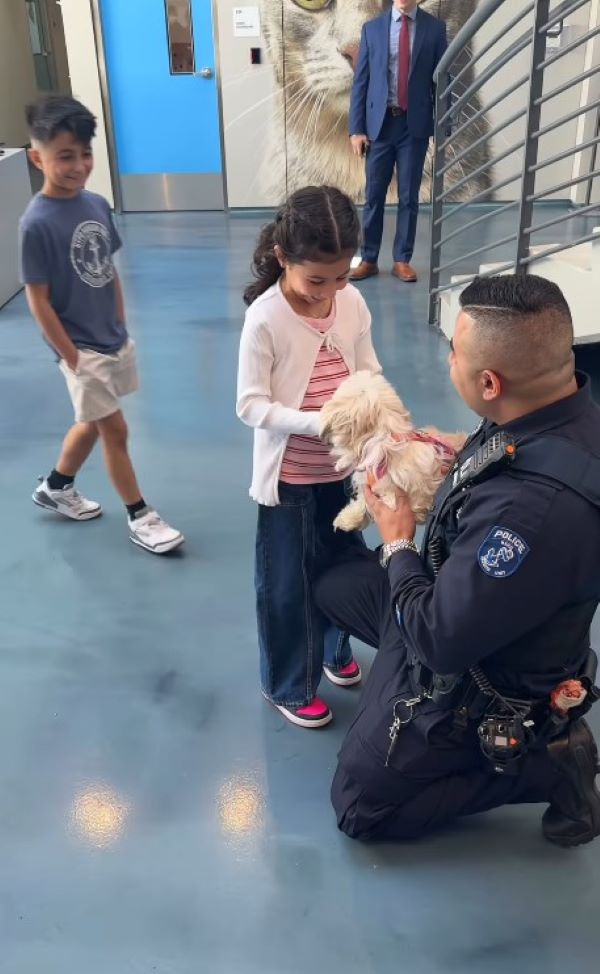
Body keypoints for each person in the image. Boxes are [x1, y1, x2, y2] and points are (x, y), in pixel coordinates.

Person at [314, 273, 600, 846]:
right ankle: (389, 693)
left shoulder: (530, 510)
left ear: (490, 381)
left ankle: (547, 764)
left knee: (358, 808)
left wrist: (397, 540)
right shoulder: (545, 413)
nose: (448, 362)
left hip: (478, 672)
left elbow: (442, 640)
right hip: (459, 602)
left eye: (454, 354)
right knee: (334, 585)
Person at [236, 186, 381, 729]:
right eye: (316, 279)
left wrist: (379, 417)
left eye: (341, 276)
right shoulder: (266, 319)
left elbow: (367, 368)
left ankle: (334, 648)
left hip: (342, 471)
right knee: (287, 584)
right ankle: (288, 684)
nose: (330, 291)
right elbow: (250, 406)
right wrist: (319, 423)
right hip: (291, 478)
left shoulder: (352, 301)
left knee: (343, 566)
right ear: (282, 257)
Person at [20, 96, 183, 555]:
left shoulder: (95, 204)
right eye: (64, 156)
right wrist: (72, 357)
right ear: (38, 158)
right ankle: (141, 515)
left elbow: (106, 270)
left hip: (112, 337)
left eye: (84, 154)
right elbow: (38, 300)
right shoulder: (35, 224)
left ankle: (56, 485)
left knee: (91, 421)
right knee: (116, 430)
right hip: (79, 348)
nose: (78, 166)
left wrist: (121, 322)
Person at [348, 0, 447, 284]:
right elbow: (361, 83)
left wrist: (442, 130)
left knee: (409, 196)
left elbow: (442, 83)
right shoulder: (372, 30)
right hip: (379, 126)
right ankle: (368, 258)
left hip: (413, 126)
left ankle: (402, 259)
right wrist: (356, 129)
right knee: (374, 195)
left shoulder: (435, 29)